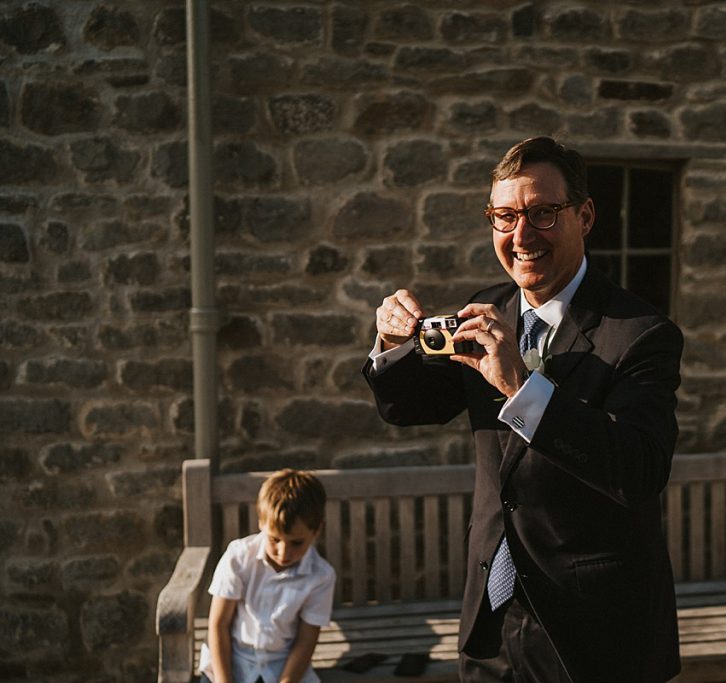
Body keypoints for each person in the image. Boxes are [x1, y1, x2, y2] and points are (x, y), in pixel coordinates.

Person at [363, 137, 683, 682]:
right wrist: (390, 345)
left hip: (594, 639)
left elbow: (638, 470)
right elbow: (407, 407)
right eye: (505, 216)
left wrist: (521, 385)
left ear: (584, 215)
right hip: (492, 621)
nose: (521, 234)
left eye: (542, 213)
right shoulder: (490, 308)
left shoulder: (641, 334)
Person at [198, 469, 336, 683]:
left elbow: (305, 641)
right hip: (231, 662)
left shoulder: (321, 577)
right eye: (274, 540)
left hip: (280, 666)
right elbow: (219, 624)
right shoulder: (239, 557)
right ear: (262, 523)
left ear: (317, 530)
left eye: (296, 543)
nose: (284, 552)